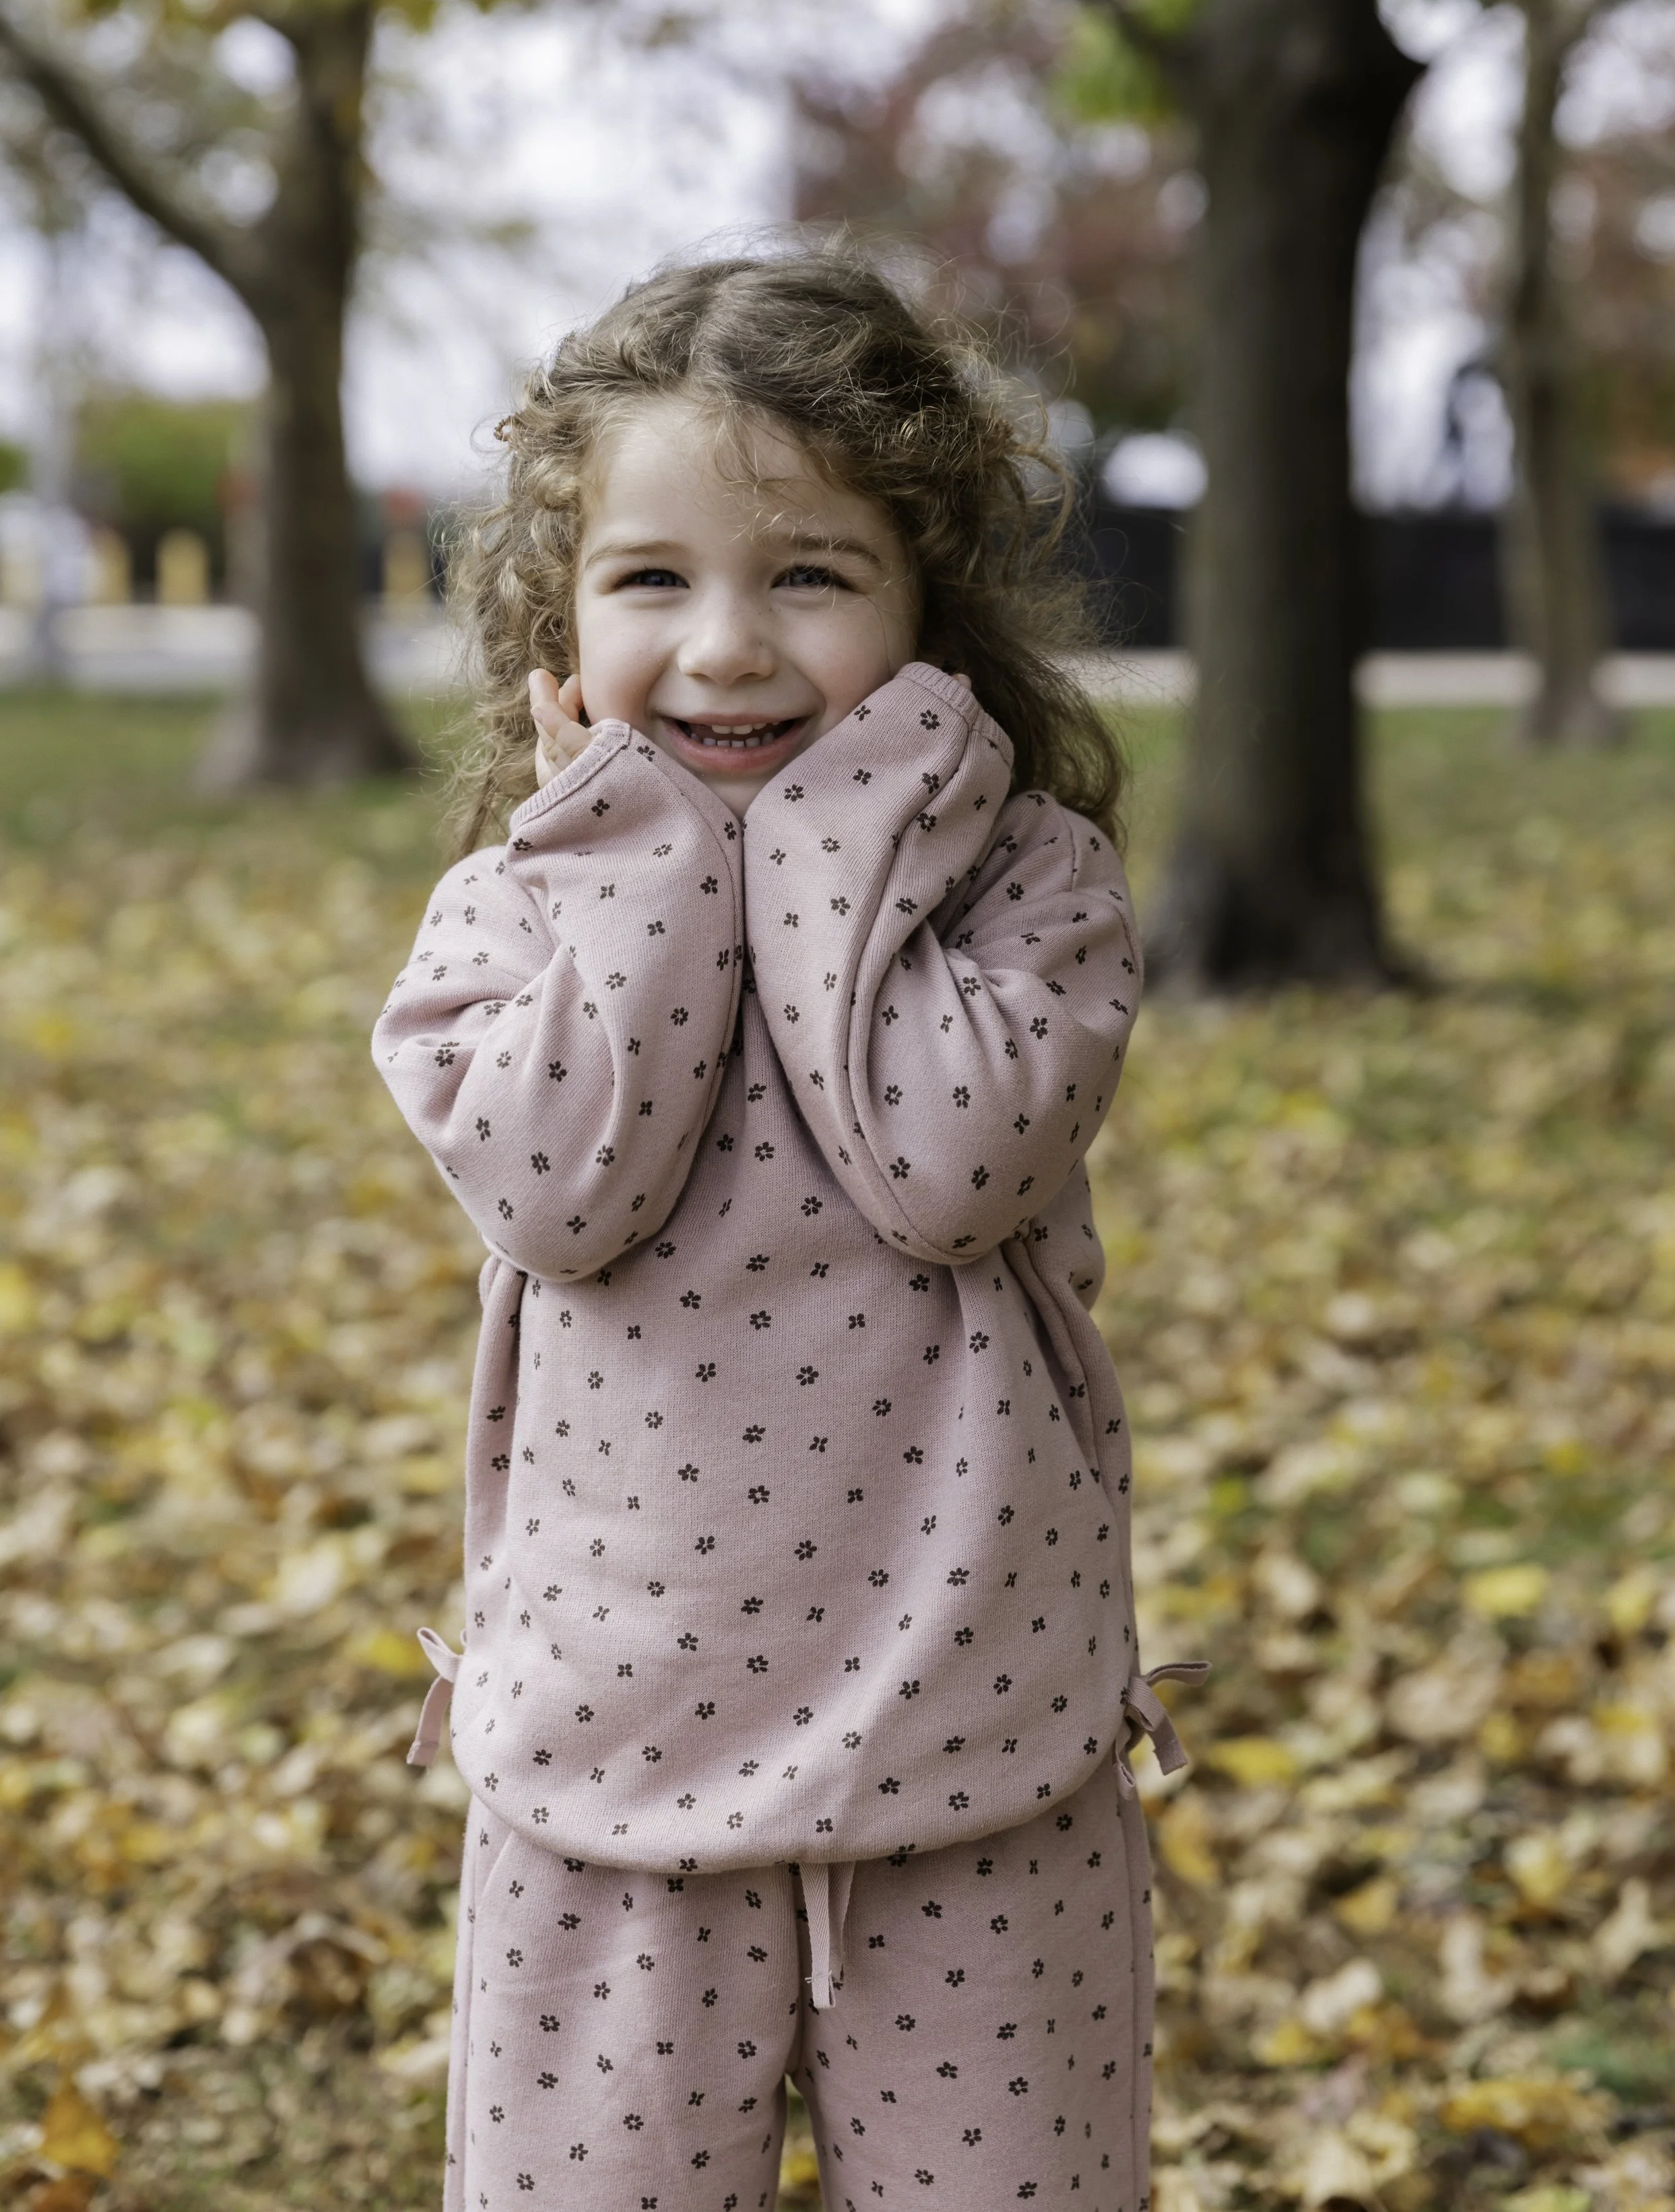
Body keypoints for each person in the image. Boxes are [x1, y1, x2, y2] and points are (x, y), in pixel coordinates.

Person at [372, 249, 1200, 2212]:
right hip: (612, 1778)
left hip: (978, 1758)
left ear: (929, 614)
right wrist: (651, 849)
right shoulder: (511, 914)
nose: (728, 647)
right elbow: (567, 1187)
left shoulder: (1029, 894)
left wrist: (840, 838)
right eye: (652, 579)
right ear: (561, 619)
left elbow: (944, 1165)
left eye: (811, 576)